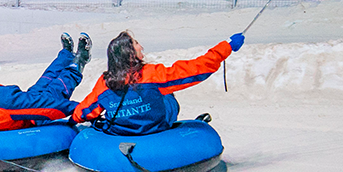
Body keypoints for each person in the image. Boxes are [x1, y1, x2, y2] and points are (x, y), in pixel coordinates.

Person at [72, 31, 244, 135]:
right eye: (137, 43)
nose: (141, 46)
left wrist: (74, 120)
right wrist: (226, 47)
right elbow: (196, 70)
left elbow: (86, 109)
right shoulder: (152, 74)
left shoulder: (104, 82)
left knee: (110, 103)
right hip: (153, 129)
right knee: (166, 93)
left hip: (121, 130)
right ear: (130, 53)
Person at [0, 32, 91, 131]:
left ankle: (66, 55)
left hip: (14, 106)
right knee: (55, 89)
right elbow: (50, 107)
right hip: (28, 118)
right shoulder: (6, 97)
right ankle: (79, 62)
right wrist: (80, 109)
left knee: (42, 83)